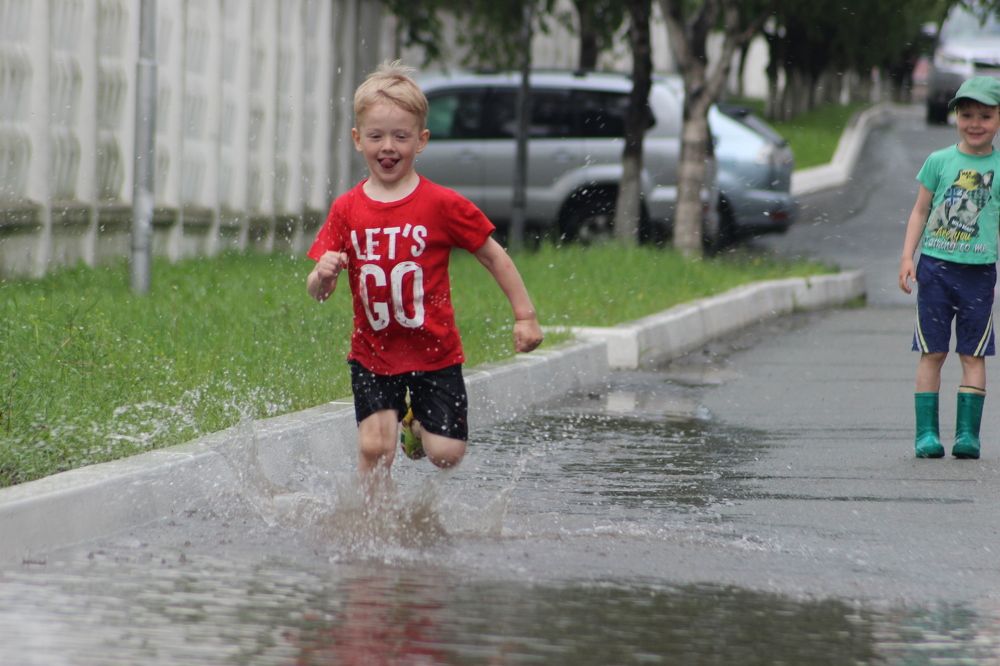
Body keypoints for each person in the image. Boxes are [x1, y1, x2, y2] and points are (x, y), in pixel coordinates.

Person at [306, 60, 544, 476]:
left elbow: (493, 255)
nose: (388, 147)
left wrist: (525, 316)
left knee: (446, 455)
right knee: (374, 446)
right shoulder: (346, 208)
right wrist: (322, 275)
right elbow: (318, 291)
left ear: (422, 141)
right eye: (377, 136)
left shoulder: (442, 204)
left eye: (401, 136)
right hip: (373, 353)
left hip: (435, 353)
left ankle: (414, 422)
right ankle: (372, 527)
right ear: (357, 139)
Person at [898, 76, 1000, 459]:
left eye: (985, 116)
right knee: (933, 352)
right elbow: (920, 211)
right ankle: (926, 434)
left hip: (979, 274)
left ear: (999, 119)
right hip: (935, 270)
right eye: (967, 114)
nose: (975, 123)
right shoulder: (939, 162)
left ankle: (967, 436)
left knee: (973, 354)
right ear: (955, 115)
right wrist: (908, 256)